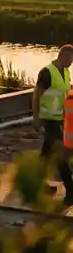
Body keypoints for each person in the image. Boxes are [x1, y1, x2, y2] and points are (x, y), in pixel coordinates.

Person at [32, 44, 73, 205]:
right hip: (48, 119)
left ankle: (36, 185)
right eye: (69, 59)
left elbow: (65, 92)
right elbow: (36, 94)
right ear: (62, 56)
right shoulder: (47, 72)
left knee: (46, 154)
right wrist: (36, 116)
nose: (71, 63)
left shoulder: (66, 72)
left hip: (60, 119)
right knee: (59, 153)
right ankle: (71, 190)